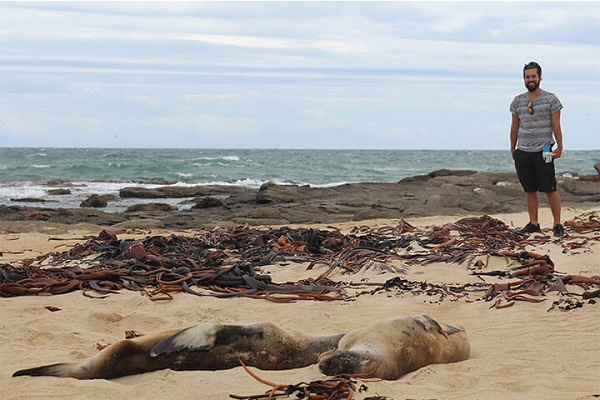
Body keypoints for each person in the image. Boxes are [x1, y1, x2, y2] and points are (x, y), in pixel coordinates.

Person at [510, 61, 565, 237]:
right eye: (527, 77)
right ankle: (534, 223)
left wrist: (560, 146)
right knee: (529, 189)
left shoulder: (551, 99)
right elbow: (514, 127)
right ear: (524, 79)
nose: (530, 79)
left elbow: (556, 124)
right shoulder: (518, 101)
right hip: (523, 151)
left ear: (540, 77)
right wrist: (513, 149)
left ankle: (557, 224)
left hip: (544, 150)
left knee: (550, 188)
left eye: (533, 76)